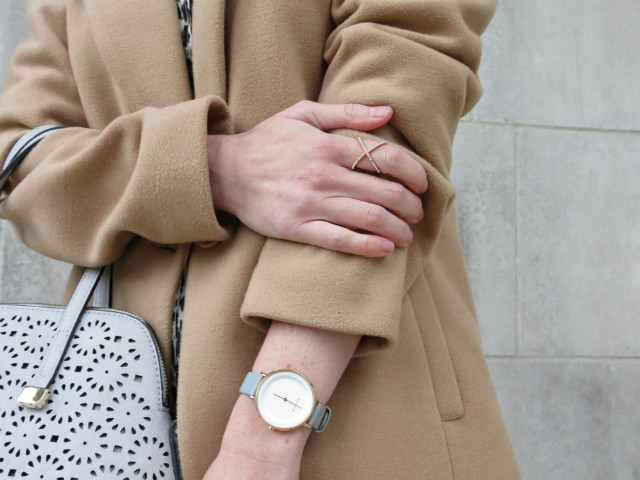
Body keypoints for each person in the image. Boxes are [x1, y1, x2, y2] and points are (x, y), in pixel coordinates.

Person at [0, 0, 521, 479]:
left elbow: (382, 146)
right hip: (109, 422)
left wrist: (265, 437)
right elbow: (17, 159)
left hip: (356, 406)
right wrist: (213, 168)